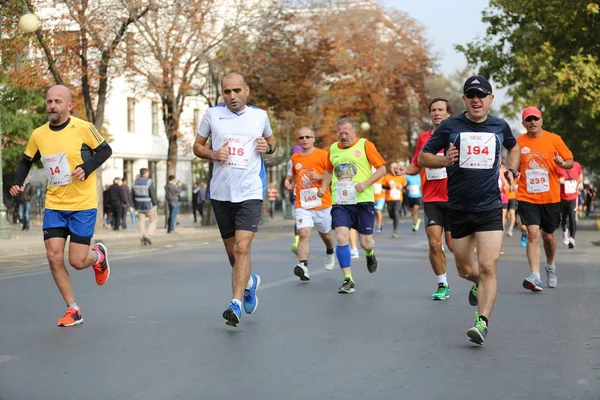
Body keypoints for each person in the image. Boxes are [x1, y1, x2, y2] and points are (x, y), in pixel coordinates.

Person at [418, 76, 520, 345]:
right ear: (464, 99)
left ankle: (481, 322)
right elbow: (422, 157)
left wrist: (511, 167)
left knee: (488, 266)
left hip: (489, 207)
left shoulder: (500, 125)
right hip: (458, 208)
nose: (476, 99)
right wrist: (443, 159)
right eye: (471, 95)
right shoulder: (450, 126)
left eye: (482, 95)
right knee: (464, 269)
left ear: (490, 99)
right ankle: (479, 283)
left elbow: (513, 146)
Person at [9, 84, 112, 327]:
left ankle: (97, 255)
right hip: (55, 205)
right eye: (49, 101)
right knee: (53, 257)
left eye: (57, 101)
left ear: (69, 106)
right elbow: (25, 161)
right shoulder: (39, 134)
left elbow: (105, 150)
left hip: (82, 205)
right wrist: (17, 182)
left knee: (77, 262)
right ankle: (73, 309)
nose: (52, 106)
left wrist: (86, 168)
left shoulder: (84, 128)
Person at [193, 72, 275, 326]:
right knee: (232, 252)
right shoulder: (212, 115)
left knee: (242, 248)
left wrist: (268, 147)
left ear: (246, 91)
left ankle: (235, 303)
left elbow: (272, 141)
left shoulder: (259, 116)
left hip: (250, 191)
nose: (232, 96)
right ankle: (249, 283)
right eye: (227, 92)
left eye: (237, 91)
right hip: (221, 192)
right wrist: (213, 154)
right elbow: (197, 146)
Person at [318, 117, 386, 294]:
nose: (343, 136)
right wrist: (324, 186)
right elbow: (328, 170)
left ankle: (369, 254)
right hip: (341, 201)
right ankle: (348, 279)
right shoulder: (333, 149)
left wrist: (366, 183)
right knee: (341, 237)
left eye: (346, 133)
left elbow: (382, 169)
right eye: (340, 133)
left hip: (363, 200)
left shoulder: (365, 145)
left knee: (366, 243)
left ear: (354, 132)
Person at [395, 97, 453, 301]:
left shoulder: (458, 135)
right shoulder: (423, 138)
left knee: (454, 246)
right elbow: (416, 165)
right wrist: (403, 170)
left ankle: (476, 277)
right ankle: (442, 284)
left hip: (454, 198)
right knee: (435, 243)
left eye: (440, 110)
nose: (436, 113)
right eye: (433, 110)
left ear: (449, 114)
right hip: (431, 198)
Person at [516, 106, 574, 292]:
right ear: (523, 123)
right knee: (532, 233)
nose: (533, 122)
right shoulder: (518, 142)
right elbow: (513, 165)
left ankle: (550, 266)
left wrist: (562, 163)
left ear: (541, 120)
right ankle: (535, 276)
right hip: (527, 196)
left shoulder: (554, 139)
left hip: (550, 197)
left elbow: (570, 160)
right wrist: (511, 173)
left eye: (536, 118)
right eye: (529, 119)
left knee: (548, 236)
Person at [284, 126, 336, 280]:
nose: (304, 140)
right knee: (303, 233)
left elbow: (332, 175)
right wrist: (289, 184)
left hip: (322, 202)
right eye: (301, 138)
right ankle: (303, 266)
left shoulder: (323, 155)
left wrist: (320, 178)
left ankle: (330, 252)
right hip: (303, 203)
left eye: (307, 137)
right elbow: (293, 176)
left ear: (313, 139)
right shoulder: (295, 158)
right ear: (298, 140)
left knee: (325, 234)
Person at [557, 160, 583, 248]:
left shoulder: (577, 165)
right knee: (564, 218)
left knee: (572, 217)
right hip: (563, 197)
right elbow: (559, 180)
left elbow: (580, 174)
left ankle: (572, 239)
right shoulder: (560, 167)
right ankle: (565, 233)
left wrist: (580, 183)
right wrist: (566, 181)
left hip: (573, 197)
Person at [132, 167, 158, 245]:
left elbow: (132, 194)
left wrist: (134, 205)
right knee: (154, 220)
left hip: (139, 205)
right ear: (146, 173)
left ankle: (142, 237)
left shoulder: (134, 182)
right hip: (148, 204)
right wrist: (155, 203)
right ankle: (148, 235)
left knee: (141, 222)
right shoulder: (149, 181)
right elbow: (152, 193)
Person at [382, 162, 406, 238]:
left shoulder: (401, 177)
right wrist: (389, 187)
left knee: (396, 212)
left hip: (398, 199)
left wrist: (401, 187)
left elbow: (405, 188)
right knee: (391, 215)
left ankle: (395, 230)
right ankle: (394, 218)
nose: (393, 169)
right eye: (392, 168)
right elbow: (383, 186)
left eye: (395, 167)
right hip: (389, 199)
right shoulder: (387, 177)